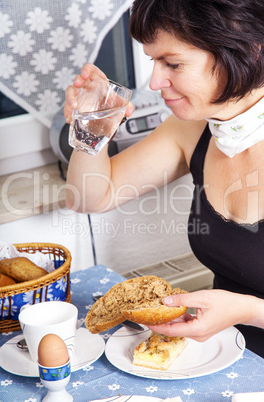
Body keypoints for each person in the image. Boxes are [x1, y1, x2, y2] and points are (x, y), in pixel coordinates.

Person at [64, 0, 264, 357]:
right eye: (153, 62)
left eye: (173, 63)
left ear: (248, 50)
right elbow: (89, 198)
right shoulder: (194, 129)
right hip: (226, 357)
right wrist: (91, 128)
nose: (155, 82)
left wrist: (248, 311)